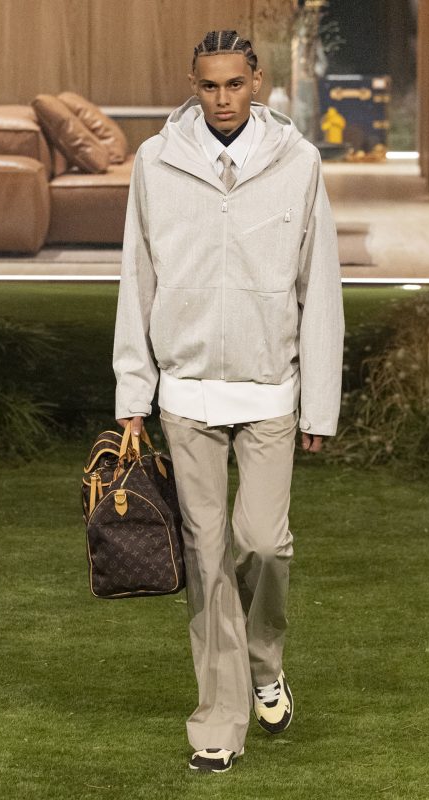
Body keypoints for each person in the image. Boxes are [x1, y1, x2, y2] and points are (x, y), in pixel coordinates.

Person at [113, 29, 344, 773]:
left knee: (264, 544)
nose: (222, 99)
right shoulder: (156, 162)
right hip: (184, 392)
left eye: (235, 84)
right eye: (209, 86)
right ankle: (217, 723)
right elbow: (137, 278)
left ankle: (264, 662)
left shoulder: (298, 162)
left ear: (258, 82)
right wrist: (133, 392)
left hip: (271, 387)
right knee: (206, 558)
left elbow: (321, 288)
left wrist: (320, 405)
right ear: (194, 85)